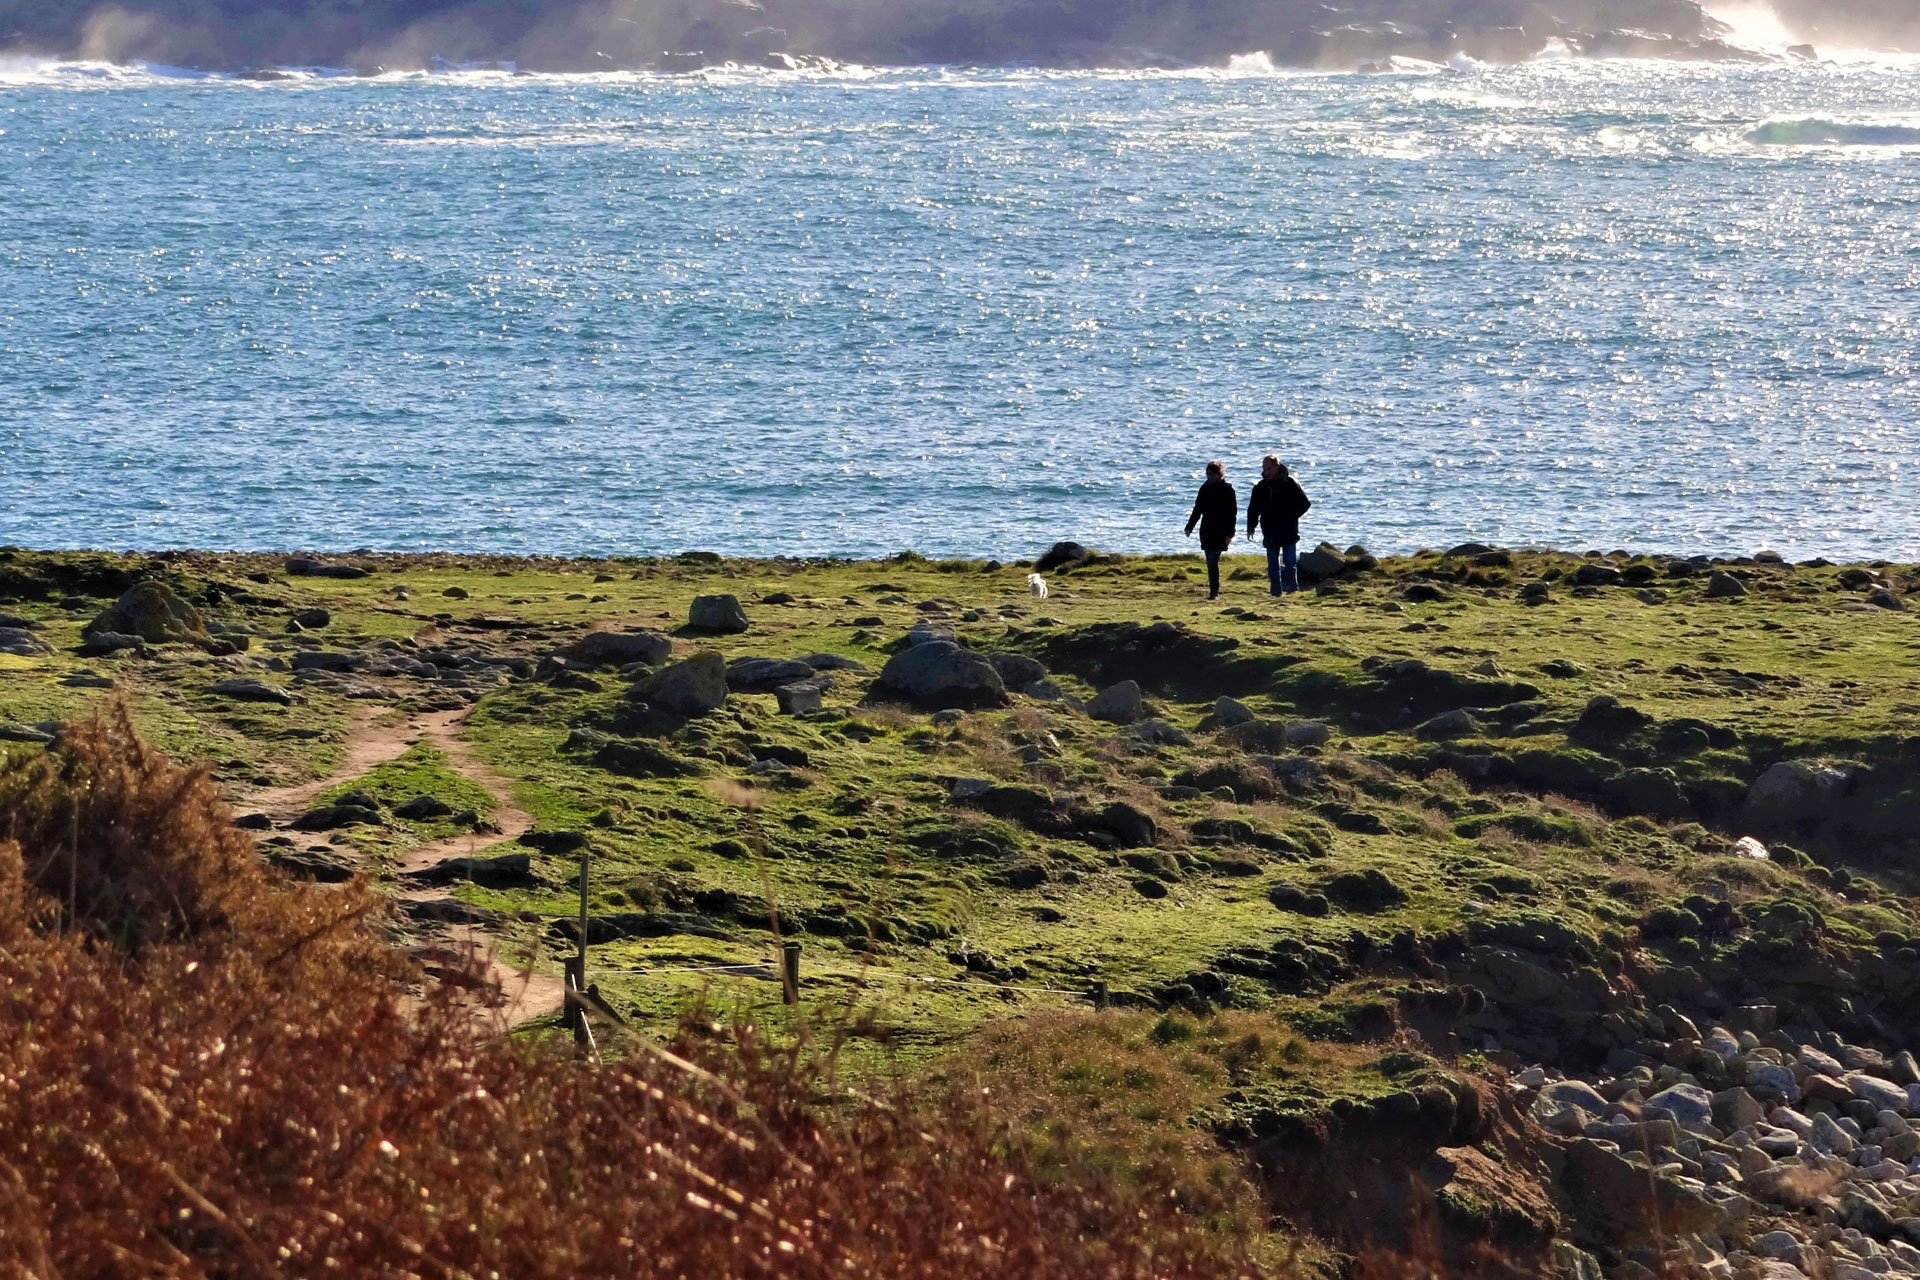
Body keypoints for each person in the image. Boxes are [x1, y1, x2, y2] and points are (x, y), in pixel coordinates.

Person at [1247, 455, 1311, 596]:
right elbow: (1253, 509)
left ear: (1277, 467)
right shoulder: (1260, 487)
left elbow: (1305, 504)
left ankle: (1292, 589)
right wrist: (1251, 526)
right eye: (1264, 469)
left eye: (1269, 468)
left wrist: (1292, 516)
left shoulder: (1290, 483)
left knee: (1290, 563)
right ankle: (1275, 591)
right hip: (1269, 530)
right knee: (1273, 565)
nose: (1266, 472)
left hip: (1288, 529)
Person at [1184, 460, 1237, 599]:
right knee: (1210, 561)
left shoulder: (1227, 490)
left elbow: (1232, 513)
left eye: (1212, 475)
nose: (1210, 477)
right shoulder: (1204, 488)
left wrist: (1230, 533)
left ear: (1219, 474)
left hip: (1221, 530)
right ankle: (1214, 590)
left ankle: (1214, 591)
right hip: (1207, 529)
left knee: (1213, 560)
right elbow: (1197, 509)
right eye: (1208, 474)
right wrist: (1190, 526)